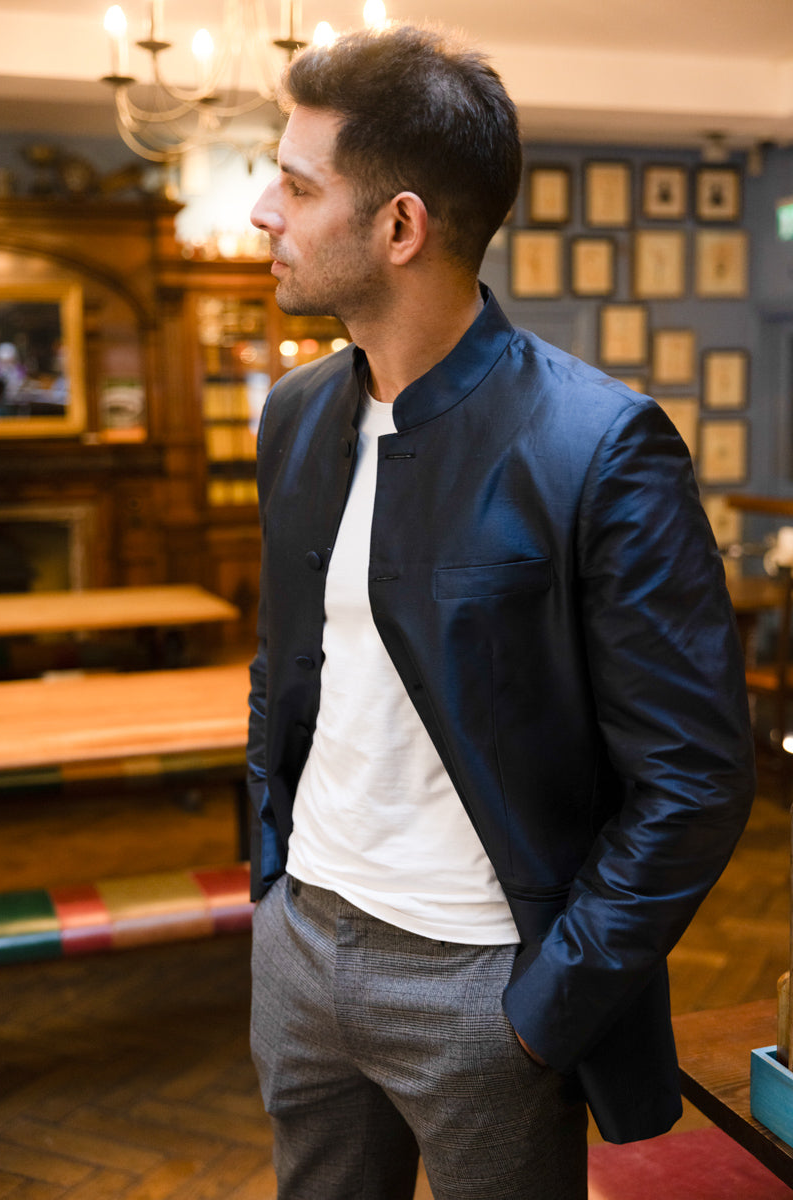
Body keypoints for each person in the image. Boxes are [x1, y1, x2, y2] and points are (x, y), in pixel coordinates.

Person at [246, 23, 755, 1200]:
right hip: (304, 943)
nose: (263, 210)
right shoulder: (295, 414)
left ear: (400, 227)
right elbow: (289, 667)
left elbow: (692, 775)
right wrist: (273, 885)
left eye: (296, 183)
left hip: (484, 984)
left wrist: (542, 1007)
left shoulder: (597, 445)